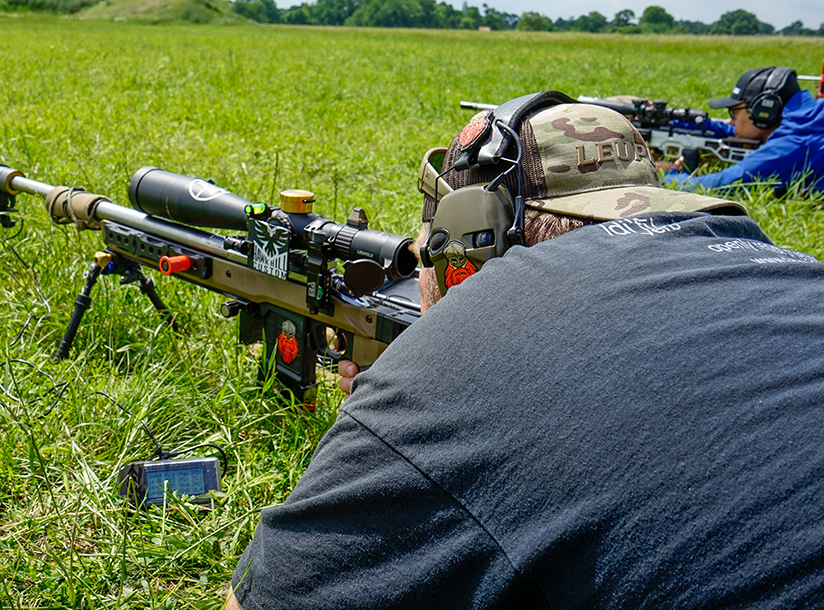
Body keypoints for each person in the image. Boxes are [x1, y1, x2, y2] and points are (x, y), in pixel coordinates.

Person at [226, 93, 824, 609]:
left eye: (427, 250)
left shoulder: (462, 367)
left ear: (467, 238)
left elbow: (267, 599)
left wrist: (405, 406)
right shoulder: (794, 272)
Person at [660, 66, 824, 194]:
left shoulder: (795, 143)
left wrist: (671, 174)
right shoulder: (805, 121)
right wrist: (670, 121)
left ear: (762, 111)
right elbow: (731, 130)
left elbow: (716, 186)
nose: (731, 122)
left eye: (735, 113)